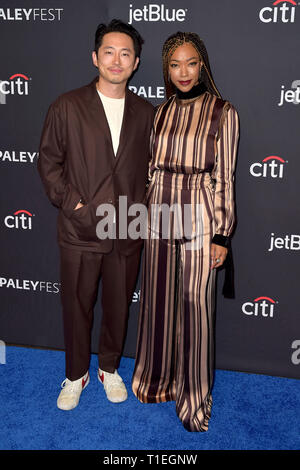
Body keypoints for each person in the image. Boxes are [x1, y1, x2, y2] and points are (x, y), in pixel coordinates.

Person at [38, 19, 154, 410]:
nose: (116, 60)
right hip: (80, 230)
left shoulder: (147, 113)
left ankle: (108, 368)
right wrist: (76, 207)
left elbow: (153, 170)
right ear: (95, 57)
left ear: (136, 62)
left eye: (125, 53)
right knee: (76, 305)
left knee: (119, 307)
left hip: (127, 228)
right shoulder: (67, 105)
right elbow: (49, 164)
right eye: (109, 52)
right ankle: (75, 374)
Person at [132, 32, 239, 432]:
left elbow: (225, 177)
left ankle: (194, 398)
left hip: (200, 210)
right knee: (158, 299)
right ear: (166, 68)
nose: (183, 72)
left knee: (196, 306)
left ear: (203, 65)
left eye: (191, 63)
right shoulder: (160, 112)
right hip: (160, 208)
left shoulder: (222, 112)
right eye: (174, 64)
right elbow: (148, 170)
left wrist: (222, 234)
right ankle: (155, 381)